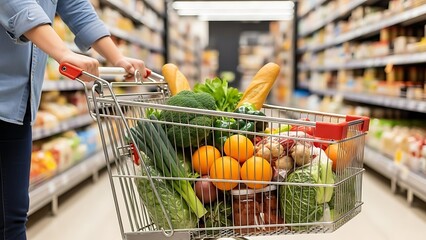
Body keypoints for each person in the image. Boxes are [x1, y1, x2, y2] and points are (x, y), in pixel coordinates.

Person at [0, 1, 147, 239]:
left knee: (12, 217)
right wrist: (64, 53)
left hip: (17, 104)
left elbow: (75, 5)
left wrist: (118, 58)